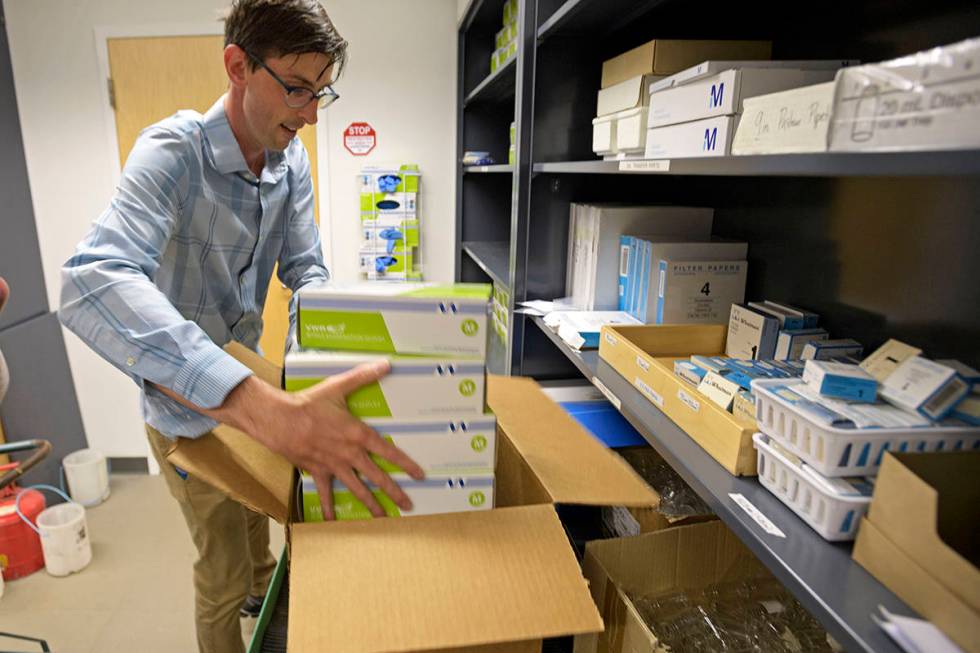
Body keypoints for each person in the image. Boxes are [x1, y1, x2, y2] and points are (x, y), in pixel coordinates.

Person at [58, 2, 423, 652]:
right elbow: (91, 281)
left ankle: (264, 598)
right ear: (237, 67)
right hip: (184, 408)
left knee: (262, 525)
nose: (312, 112)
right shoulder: (172, 155)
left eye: (322, 91)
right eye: (297, 88)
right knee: (221, 571)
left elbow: (307, 270)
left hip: (250, 380)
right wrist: (258, 406)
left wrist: (352, 342)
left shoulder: (291, 163)